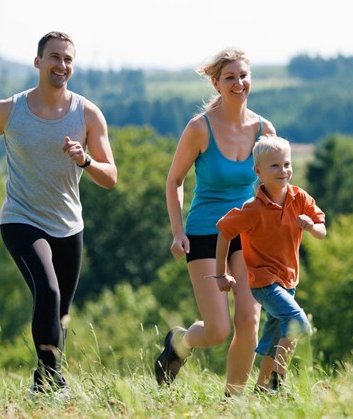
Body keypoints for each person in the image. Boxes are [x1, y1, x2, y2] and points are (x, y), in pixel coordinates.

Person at [0, 31, 118, 394]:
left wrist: (86, 160)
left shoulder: (87, 114)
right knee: (48, 292)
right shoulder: (8, 110)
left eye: (68, 59)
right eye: (54, 57)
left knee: (60, 311)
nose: (61, 65)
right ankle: (52, 383)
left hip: (69, 225)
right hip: (21, 219)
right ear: (38, 62)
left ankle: (43, 380)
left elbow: (110, 177)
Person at [155, 48, 277, 396]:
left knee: (249, 320)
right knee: (218, 330)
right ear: (216, 83)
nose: (239, 83)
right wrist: (177, 232)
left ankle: (232, 401)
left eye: (243, 76)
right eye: (230, 77)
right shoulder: (200, 128)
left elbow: (274, 184)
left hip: (248, 233)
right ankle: (179, 342)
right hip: (206, 233)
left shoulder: (264, 129)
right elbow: (174, 180)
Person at [214, 135, 327, 394]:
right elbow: (224, 231)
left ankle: (263, 390)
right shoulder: (253, 209)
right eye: (274, 166)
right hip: (263, 282)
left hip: (289, 280)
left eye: (286, 164)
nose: (283, 170)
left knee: (275, 338)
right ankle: (277, 381)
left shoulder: (299, 198)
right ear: (258, 171)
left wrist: (312, 227)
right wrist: (220, 274)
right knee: (298, 322)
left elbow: (322, 230)